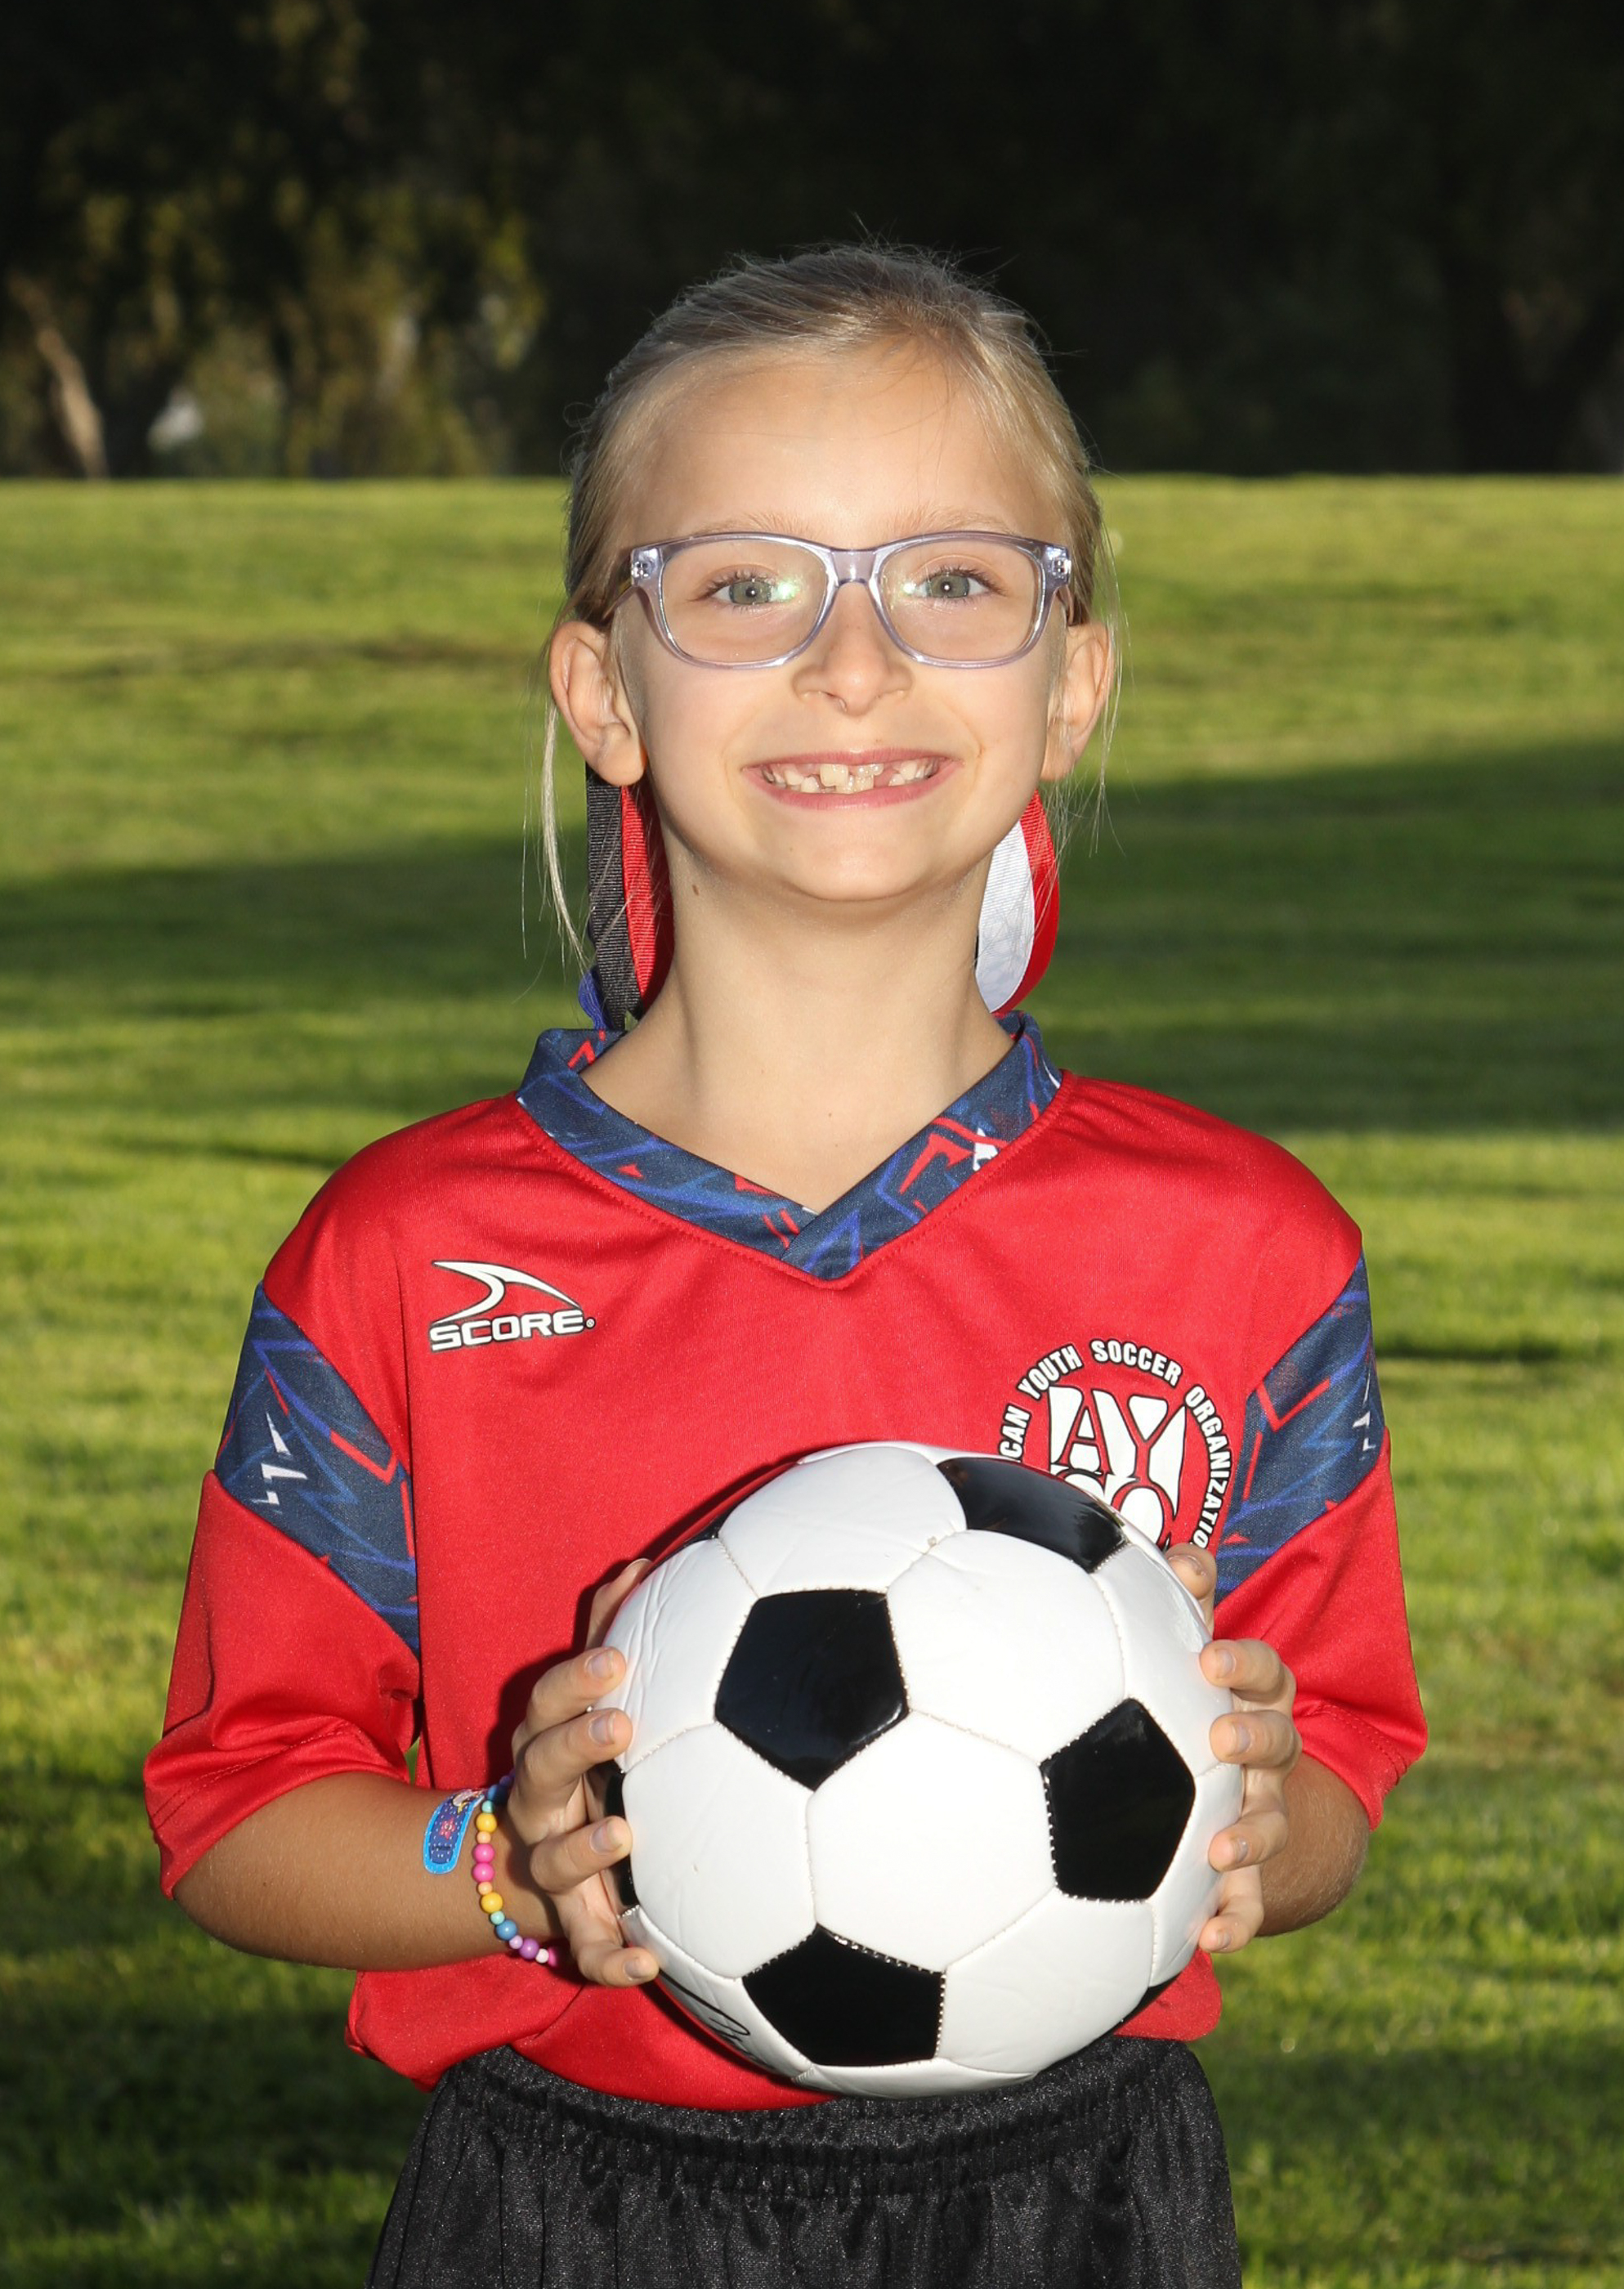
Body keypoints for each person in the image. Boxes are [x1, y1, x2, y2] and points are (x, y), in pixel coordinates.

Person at [145, 244, 1426, 2288]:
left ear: (1071, 678)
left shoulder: (1245, 1247)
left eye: (952, 580)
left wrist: (1271, 1815)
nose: (852, 660)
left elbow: (1334, 1768)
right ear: (603, 691)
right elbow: (235, 1812)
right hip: (567, 2208)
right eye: (745, 584)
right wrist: (504, 1858)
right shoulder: (408, 1253)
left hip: (1080, 2204)